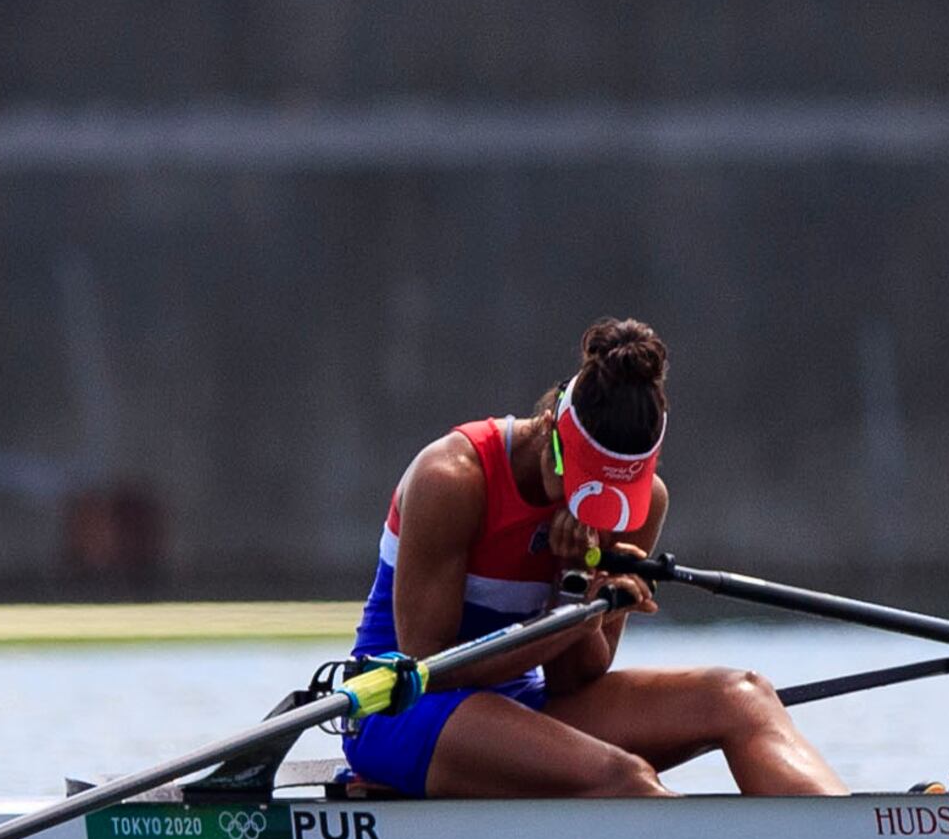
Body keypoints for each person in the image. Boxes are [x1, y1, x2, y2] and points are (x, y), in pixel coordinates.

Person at [342, 317, 846, 798]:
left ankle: (851, 833)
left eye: (611, 495)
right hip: (402, 709)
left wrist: (575, 583)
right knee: (624, 778)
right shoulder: (452, 478)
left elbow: (573, 681)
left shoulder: (645, 504)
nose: (595, 510)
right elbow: (432, 664)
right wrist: (570, 622)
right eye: (586, 487)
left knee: (743, 695)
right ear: (552, 433)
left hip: (526, 705)